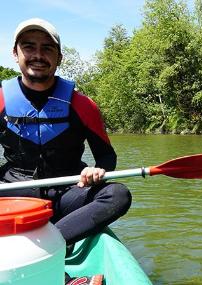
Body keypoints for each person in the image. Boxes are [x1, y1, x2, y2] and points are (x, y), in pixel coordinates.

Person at [0, 18, 131, 285]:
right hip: (15, 194)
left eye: (48, 48)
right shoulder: (2, 100)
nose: (38, 55)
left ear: (59, 58)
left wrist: (97, 170)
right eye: (29, 47)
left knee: (118, 194)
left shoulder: (83, 105)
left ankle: (47, 246)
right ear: (16, 54)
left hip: (68, 192)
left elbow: (107, 156)